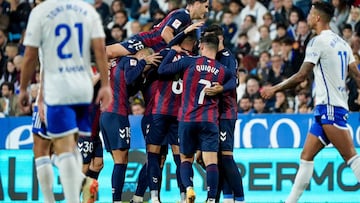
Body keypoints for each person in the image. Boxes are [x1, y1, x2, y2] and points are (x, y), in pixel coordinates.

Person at [261, 2, 360, 202]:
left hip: (330, 109)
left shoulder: (317, 42)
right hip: (329, 108)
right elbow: (357, 76)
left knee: (352, 158)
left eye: (311, 14)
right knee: (306, 158)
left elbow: (301, 76)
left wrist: (275, 88)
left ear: (317, 18)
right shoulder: (342, 43)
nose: (307, 17)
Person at [18, 0, 113, 202]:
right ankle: (81, 182)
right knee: (66, 148)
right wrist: (104, 84)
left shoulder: (42, 16)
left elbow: (32, 58)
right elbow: (100, 50)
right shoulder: (83, 12)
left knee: (41, 149)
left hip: (56, 89)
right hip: (81, 90)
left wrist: (35, 93)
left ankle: (58, 199)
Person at [158, 34, 231, 203]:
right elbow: (234, 82)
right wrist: (222, 88)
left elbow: (162, 70)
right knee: (211, 160)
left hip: (187, 118)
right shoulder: (222, 70)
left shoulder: (189, 62)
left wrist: (172, 51)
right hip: (210, 120)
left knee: (186, 159)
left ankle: (189, 189)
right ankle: (211, 199)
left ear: (203, 47)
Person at [100, 48, 161, 203]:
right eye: (148, 63)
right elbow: (128, 78)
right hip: (116, 113)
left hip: (106, 115)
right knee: (121, 161)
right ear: (141, 55)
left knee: (118, 161)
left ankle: (117, 199)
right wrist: (142, 63)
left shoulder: (116, 62)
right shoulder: (131, 61)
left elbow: (129, 87)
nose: (147, 68)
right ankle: (117, 200)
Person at [202, 24, 245, 203]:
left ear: (220, 39)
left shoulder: (227, 57)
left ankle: (240, 199)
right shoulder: (211, 58)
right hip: (213, 114)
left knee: (226, 157)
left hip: (226, 112)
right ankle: (226, 198)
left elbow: (234, 80)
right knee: (217, 160)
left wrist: (221, 89)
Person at [106, 0, 208, 58]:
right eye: (206, 6)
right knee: (111, 52)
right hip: (147, 42)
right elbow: (166, 33)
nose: (207, 10)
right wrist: (176, 50)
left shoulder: (187, 19)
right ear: (198, 3)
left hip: (153, 48)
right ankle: (93, 50)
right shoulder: (183, 15)